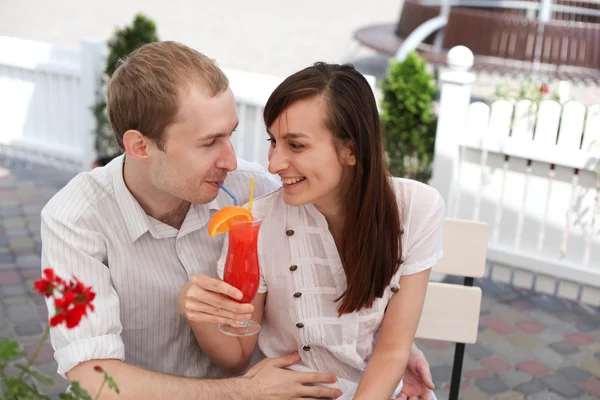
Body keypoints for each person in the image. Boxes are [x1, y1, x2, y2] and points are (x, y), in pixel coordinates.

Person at [40, 41, 434, 400]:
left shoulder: (257, 188)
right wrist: (242, 391)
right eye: (210, 142)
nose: (231, 160)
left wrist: (382, 338)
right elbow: (91, 377)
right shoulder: (73, 222)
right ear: (140, 146)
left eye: (230, 135)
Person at [178, 62, 445, 399]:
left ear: (350, 149)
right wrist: (198, 312)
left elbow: (393, 349)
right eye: (273, 141)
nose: (274, 164)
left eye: (297, 146)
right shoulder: (255, 221)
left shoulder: (417, 208)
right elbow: (236, 356)